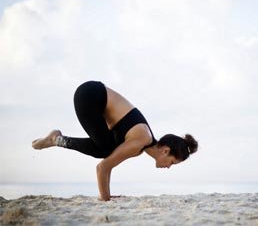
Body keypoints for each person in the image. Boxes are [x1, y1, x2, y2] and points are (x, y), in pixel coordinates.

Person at [32, 80, 198, 202]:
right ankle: (55, 139)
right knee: (105, 150)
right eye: (172, 162)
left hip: (91, 95)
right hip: (90, 95)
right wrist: (106, 200)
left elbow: (107, 163)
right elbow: (103, 167)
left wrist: (107, 195)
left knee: (106, 149)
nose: (169, 167)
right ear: (166, 150)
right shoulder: (142, 140)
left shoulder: (140, 146)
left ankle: (57, 139)